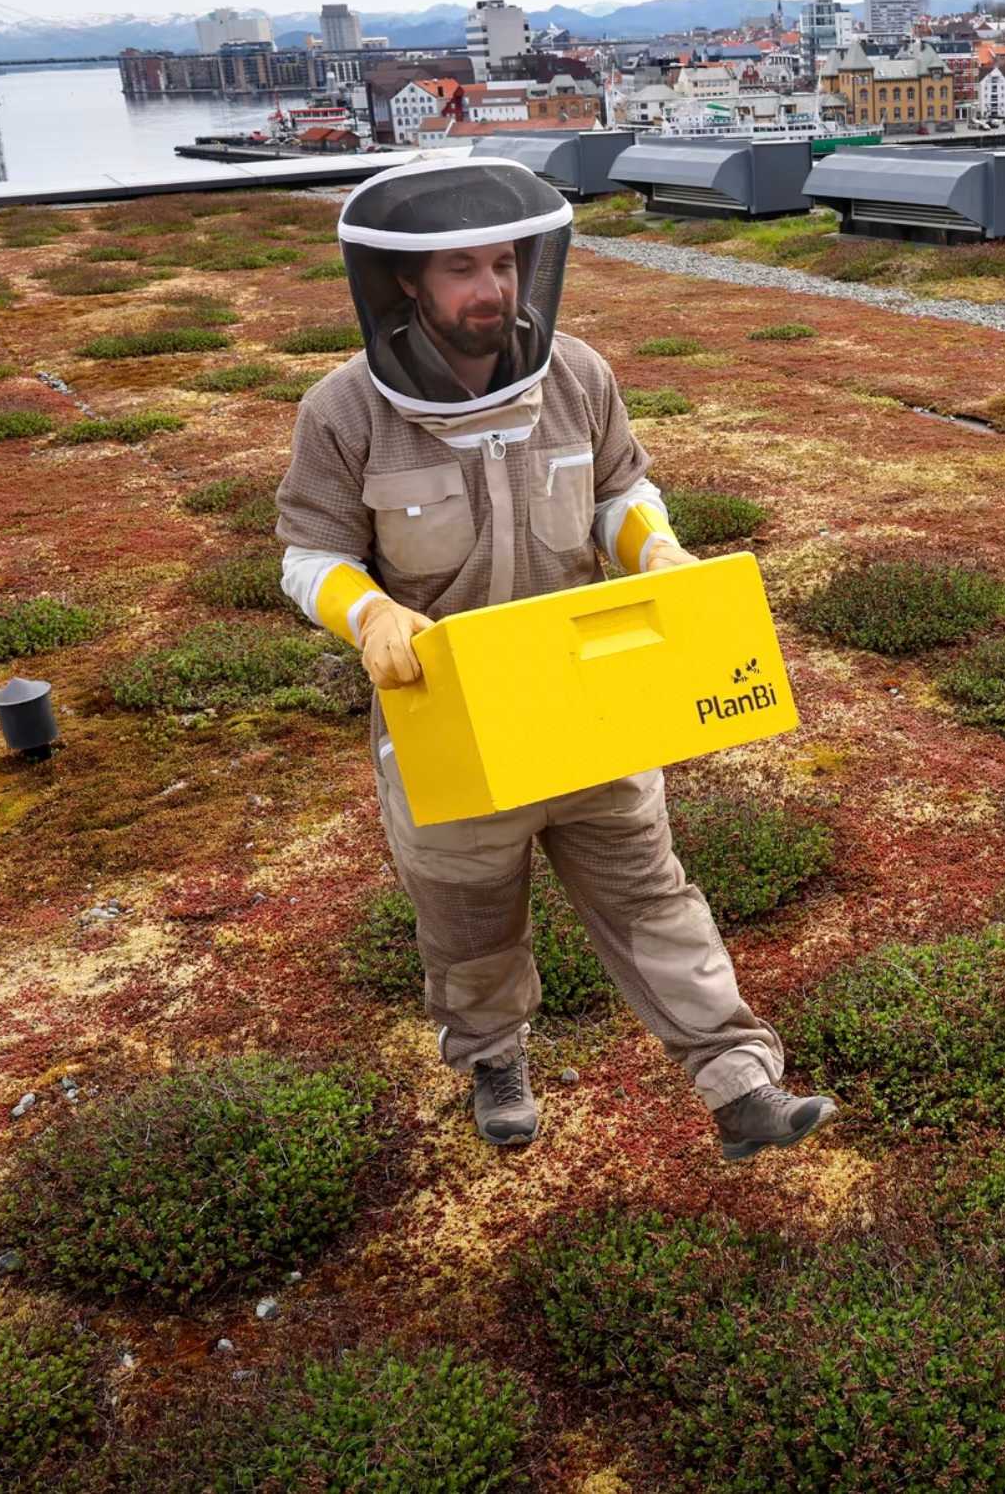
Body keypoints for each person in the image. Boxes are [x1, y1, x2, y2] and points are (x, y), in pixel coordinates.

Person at [273, 157, 837, 1160]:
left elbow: (621, 490)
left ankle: (739, 1082)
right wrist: (364, 613)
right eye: (462, 270)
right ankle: (493, 1058)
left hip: (590, 702)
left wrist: (651, 545)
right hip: (449, 722)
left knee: (650, 894)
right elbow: (310, 553)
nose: (492, 290)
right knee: (470, 918)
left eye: (504, 263)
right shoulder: (343, 412)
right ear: (403, 281)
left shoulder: (578, 375)